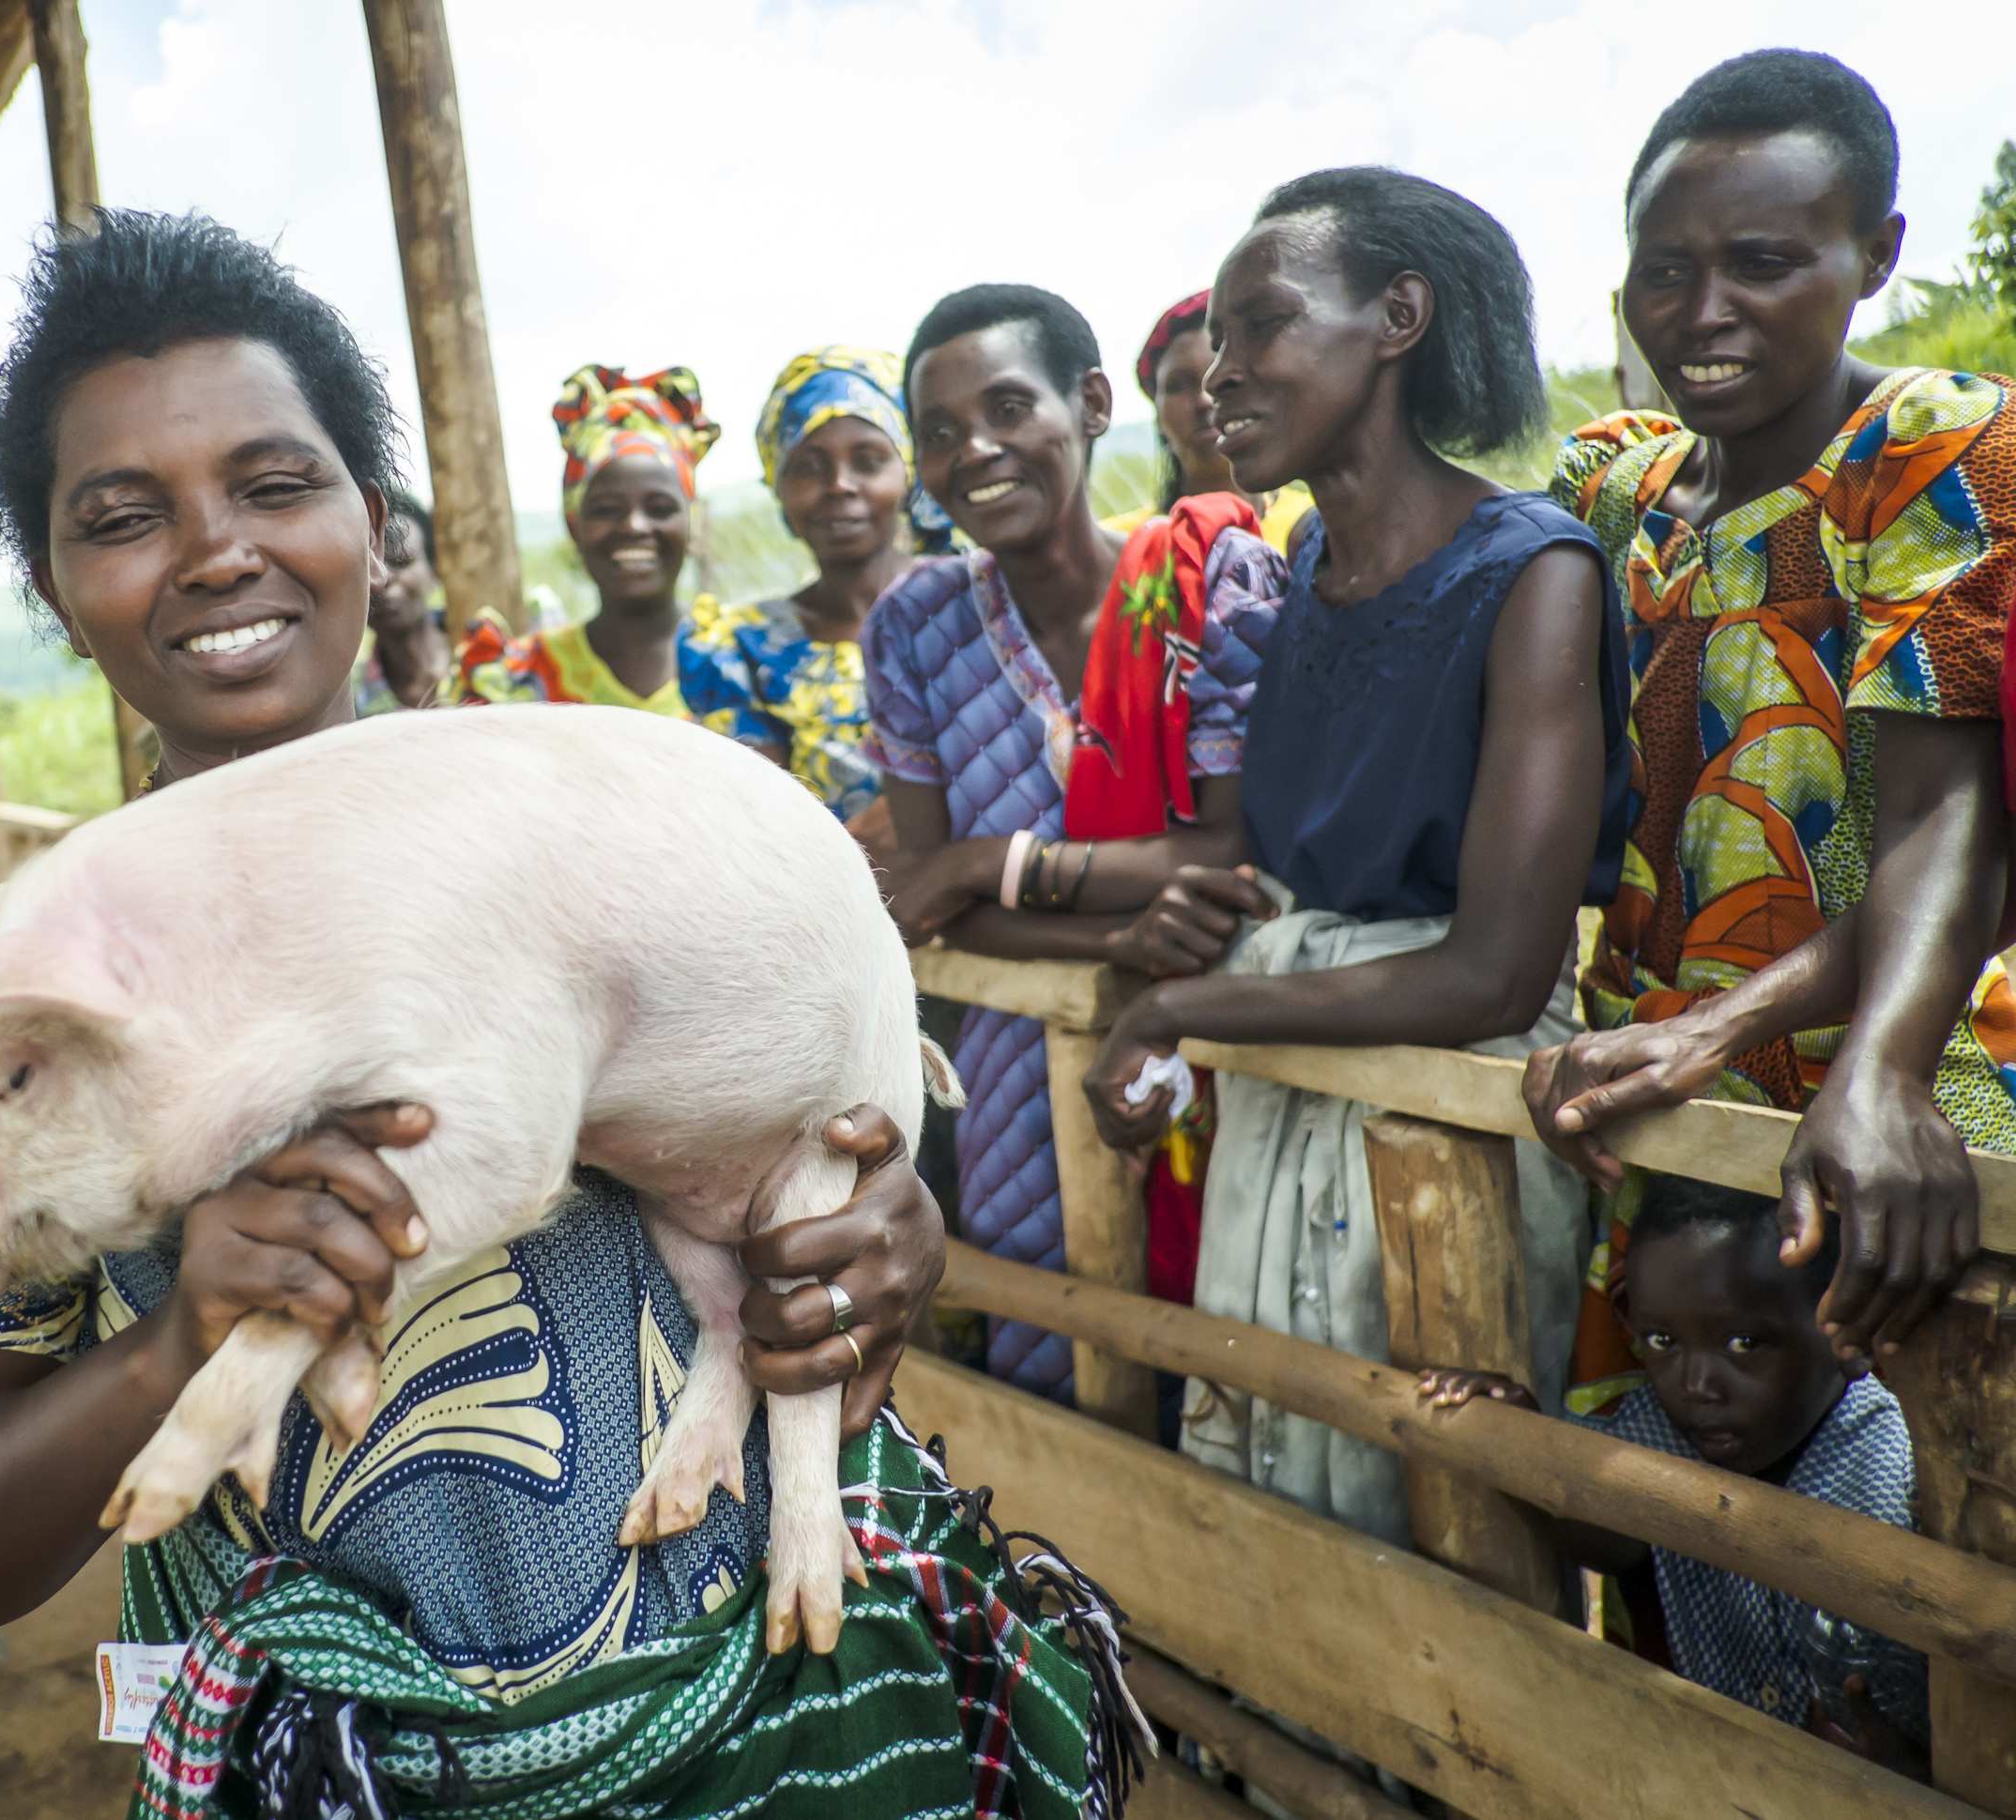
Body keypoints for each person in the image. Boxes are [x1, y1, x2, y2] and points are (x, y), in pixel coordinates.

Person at [0, 210, 1134, 1818]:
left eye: (276, 484)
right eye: (122, 518)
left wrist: (883, 1230)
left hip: (811, 1702)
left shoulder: (591, 820)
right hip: (366, 1772)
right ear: (59, 593)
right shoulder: (10, 1017)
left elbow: (800, 1095)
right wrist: (183, 1339)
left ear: (370, 521)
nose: (215, 551)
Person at [1077, 167, 1633, 1545]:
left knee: (1448, 1520)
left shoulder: (1534, 574)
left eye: (1262, 325)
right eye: (1215, 341)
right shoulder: (1307, 564)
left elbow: (1494, 973)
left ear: (1398, 318)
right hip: (1296, 1096)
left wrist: (1183, 1007)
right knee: (1287, 1506)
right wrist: (1179, 953)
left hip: (1446, 1134)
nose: (1220, 372)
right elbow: (1282, 864)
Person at [1518, 50, 2016, 1411]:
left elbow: (1947, 814)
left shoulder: (1931, 454)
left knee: (1912, 1486)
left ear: (1877, 255)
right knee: (1659, 1483)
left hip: (1887, 1090)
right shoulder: (1613, 492)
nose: (1704, 312)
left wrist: (1878, 1070)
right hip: (1651, 1093)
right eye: (1665, 271)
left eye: (1763, 263)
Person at [860, 283, 1288, 1409]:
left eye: (1008, 408)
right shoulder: (915, 626)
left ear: (1092, 403)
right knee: (1055, 1387)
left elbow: (1232, 854)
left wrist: (988, 862)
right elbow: (925, 907)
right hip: (1019, 1083)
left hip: (1225, 1039)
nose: (975, 450)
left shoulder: (1208, 583)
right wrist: (1119, 935)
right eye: (940, 431)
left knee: (1240, 1364)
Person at [1417, 1174, 1930, 1780]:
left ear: (1848, 1334)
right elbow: (1610, 1534)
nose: (1696, 1385)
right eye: (1663, 1341)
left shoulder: (1898, 1475)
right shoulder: (1662, 1428)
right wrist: (1518, 1436)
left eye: (1744, 1343)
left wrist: (1916, 1776)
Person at [678, 345, 934, 829]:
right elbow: (755, 829)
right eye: (809, 467)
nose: (839, 484)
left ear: (908, 473)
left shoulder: (974, 605)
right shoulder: (741, 648)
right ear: (778, 487)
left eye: (868, 460)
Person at [459, 364, 720, 712]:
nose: (634, 526)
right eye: (606, 510)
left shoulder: (749, 665)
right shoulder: (515, 685)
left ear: (690, 522)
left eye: (659, 508)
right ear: (574, 525)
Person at [1104, 290, 1314, 552]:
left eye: (1220, 376)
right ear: (1157, 413)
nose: (1204, 399)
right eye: (1179, 385)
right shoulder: (1122, 548)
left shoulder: (1316, 531)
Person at [353, 486, 452, 713]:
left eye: (402, 562)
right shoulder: (353, 701)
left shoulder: (495, 650)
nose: (384, 579)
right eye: (367, 568)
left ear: (434, 569)